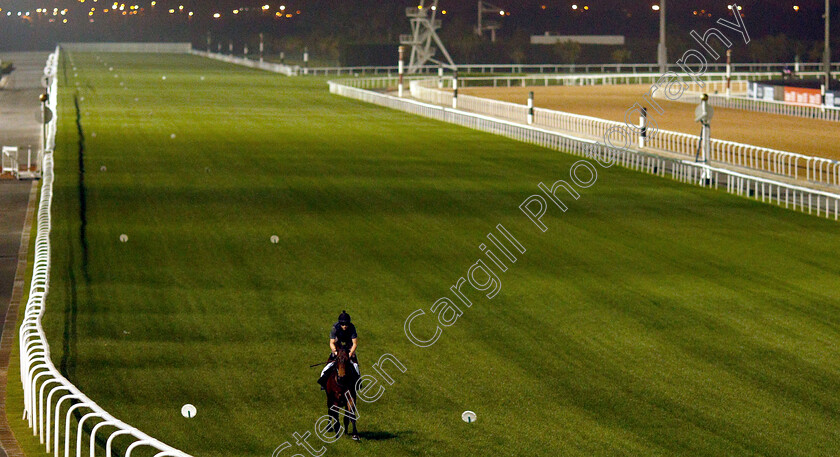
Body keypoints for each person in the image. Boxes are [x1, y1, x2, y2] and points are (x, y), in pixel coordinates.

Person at [317, 310, 360, 389]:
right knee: (327, 366)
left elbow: (354, 343)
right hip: (337, 348)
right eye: (342, 324)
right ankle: (323, 382)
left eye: (346, 324)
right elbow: (332, 342)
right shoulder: (335, 328)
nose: (344, 326)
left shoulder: (352, 328)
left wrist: (350, 354)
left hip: (349, 348)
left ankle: (358, 383)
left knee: (355, 366)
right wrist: (336, 353)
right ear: (340, 323)